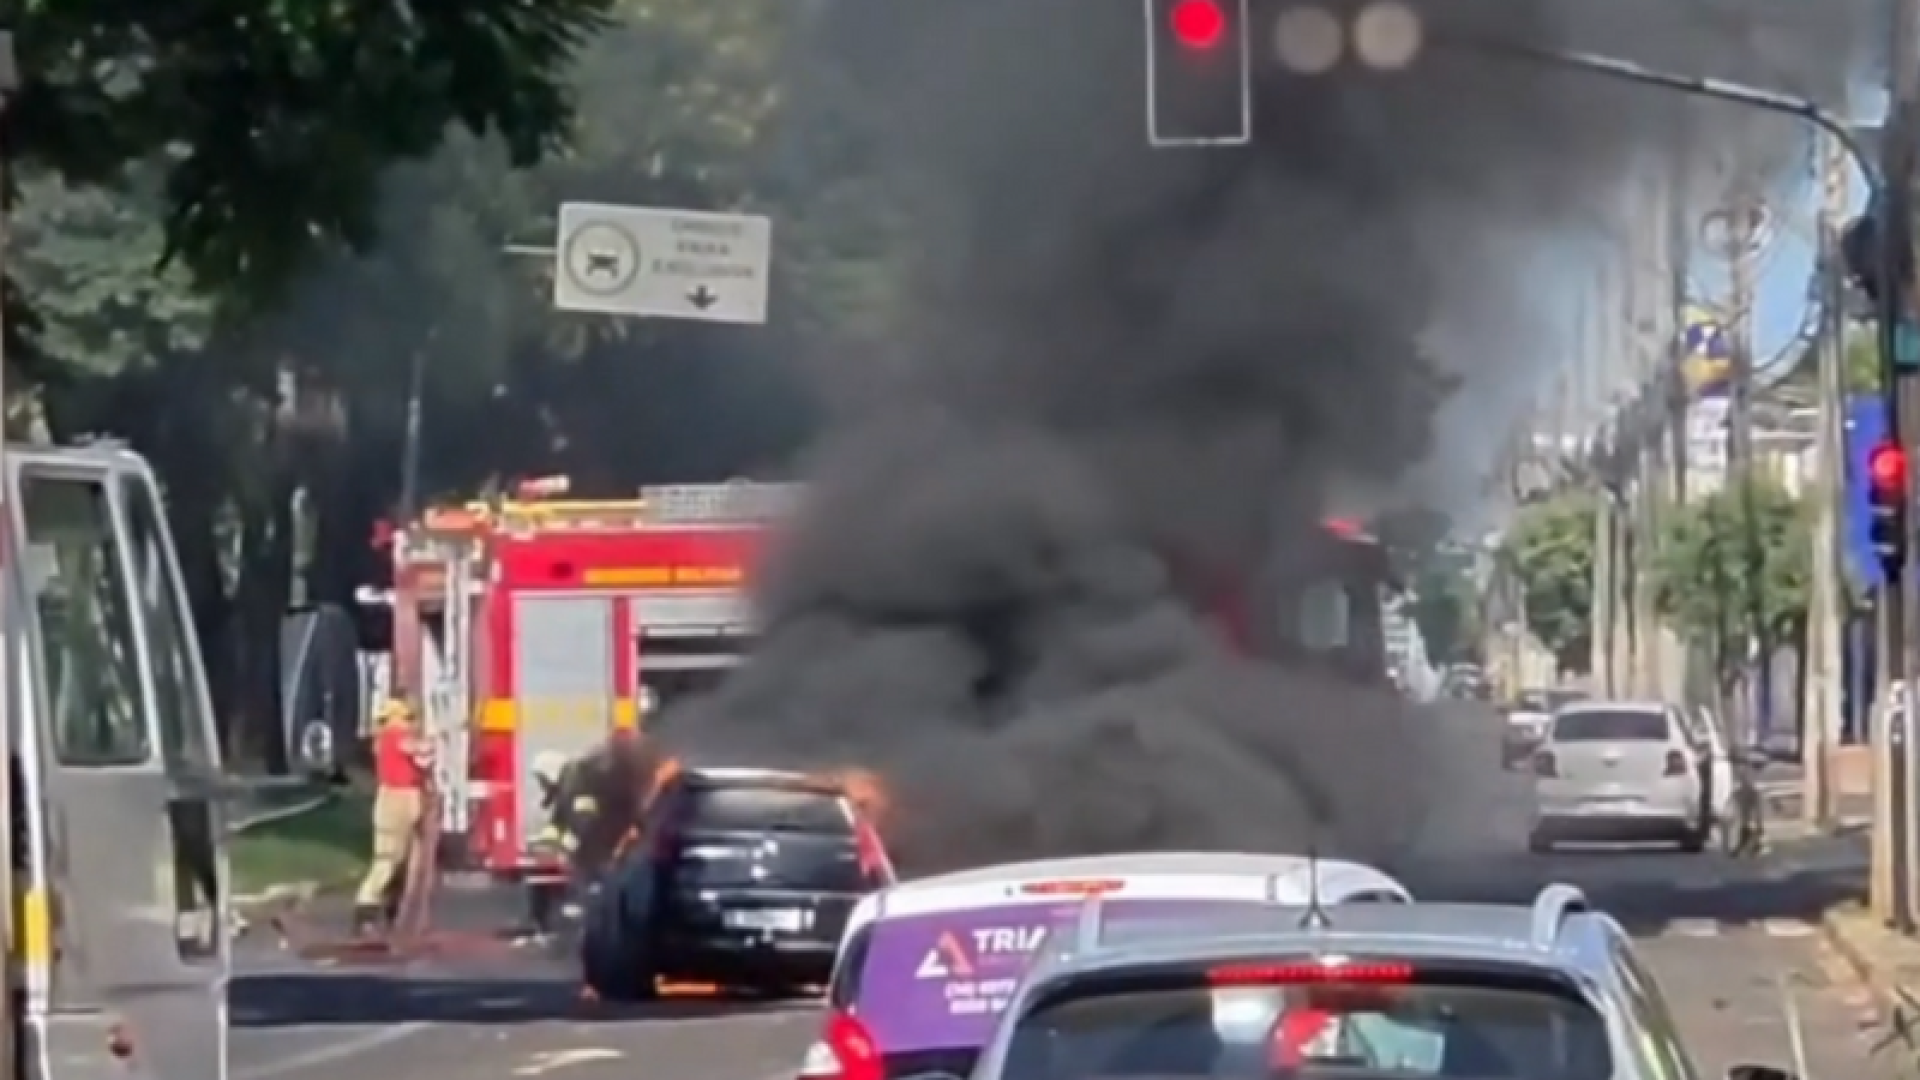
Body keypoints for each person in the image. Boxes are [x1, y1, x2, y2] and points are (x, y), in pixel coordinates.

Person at [353, 698, 434, 935]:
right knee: (387, 860)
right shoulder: (392, 736)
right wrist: (432, 741)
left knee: (406, 862)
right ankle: (365, 911)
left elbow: (421, 759)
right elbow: (418, 749)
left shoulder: (392, 738)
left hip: (408, 798)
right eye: (407, 718)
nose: (410, 723)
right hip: (395, 800)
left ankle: (394, 913)